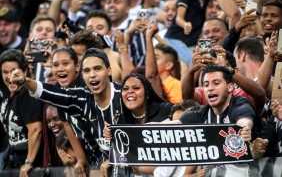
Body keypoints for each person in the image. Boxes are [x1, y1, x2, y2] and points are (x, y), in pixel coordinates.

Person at [10, 48, 124, 176]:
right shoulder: (79, 97)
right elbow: (55, 101)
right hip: (100, 159)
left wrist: (116, 158)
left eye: (97, 69)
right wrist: (26, 81)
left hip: (129, 160)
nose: (92, 75)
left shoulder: (124, 96)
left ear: (108, 70)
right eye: (87, 71)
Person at [104, 73, 172, 175]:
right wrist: (109, 134)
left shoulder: (165, 110)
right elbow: (122, 153)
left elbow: (187, 113)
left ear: (147, 94)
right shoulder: (122, 119)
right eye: (125, 89)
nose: (130, 92)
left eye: (136, 88)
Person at [0, 49, 43, 176]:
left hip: (32, 163)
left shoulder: (27, 93)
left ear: (25, 71)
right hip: (15, 159)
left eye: (14, 71)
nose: (9, 77)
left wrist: (29, 162)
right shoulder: (11, 94)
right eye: (5, 72)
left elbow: (36, 129)